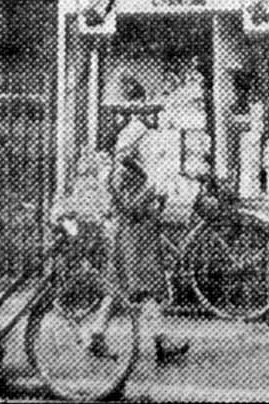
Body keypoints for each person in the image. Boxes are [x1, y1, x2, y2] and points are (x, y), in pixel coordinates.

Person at [89, 77, 188, 366]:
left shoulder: (125, 140)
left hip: (130, 225)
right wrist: (152, 188)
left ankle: (96, 333)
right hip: (136, 227)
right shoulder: (135, 139)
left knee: (121, 286)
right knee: (147, 286)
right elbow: (133, 192)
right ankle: (161, 342)